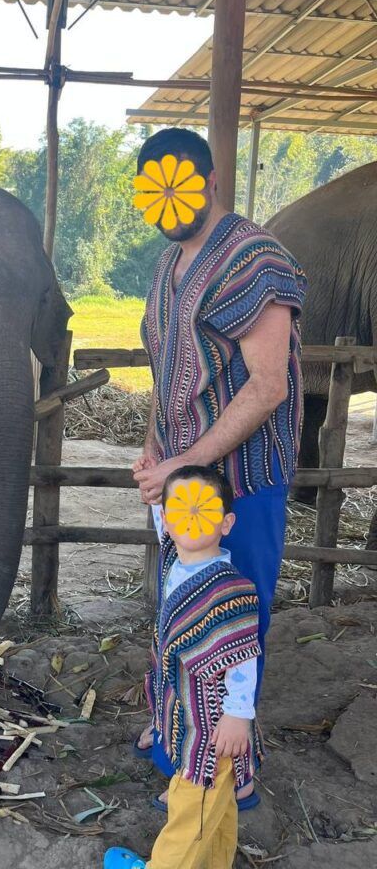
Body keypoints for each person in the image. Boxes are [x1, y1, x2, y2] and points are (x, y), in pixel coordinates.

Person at [131, 129, 306, 807]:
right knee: (181, 605)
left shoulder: (254, 258)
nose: (167, 200)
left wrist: (187, 460)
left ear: (209, 177)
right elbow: (166, 371)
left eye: (178, 182)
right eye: (153, 190)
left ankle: (227, 773)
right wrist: (154, 452)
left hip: (241, 481)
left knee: (232, 619)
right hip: (182, 475)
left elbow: (268, 387)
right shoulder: (168, 262)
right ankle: (180, 731)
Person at [105, 466, 262, 869]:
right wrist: (152, 483)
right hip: (188, 716)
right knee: (217, 812)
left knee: (190, 813)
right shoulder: (176, 556)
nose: (190, 518)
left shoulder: (231, 590)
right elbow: (165, 516)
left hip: (213, 730)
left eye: (204, 509)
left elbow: (243, 657)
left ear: (227, 523)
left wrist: (237, 716)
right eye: (180, 509)